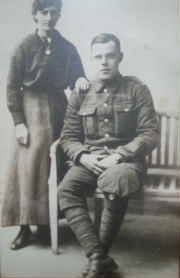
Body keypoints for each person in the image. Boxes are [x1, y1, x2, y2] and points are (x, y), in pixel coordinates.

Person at [58, 33, 159, 278]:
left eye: (110, 56)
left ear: (119, 57)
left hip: (126, 162)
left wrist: (121, 155)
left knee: (115, 182)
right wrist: (83, 157)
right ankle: (98, 256)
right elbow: (68, 137)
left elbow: (150, 133)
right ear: (92, 60)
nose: (104, 62)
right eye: (98, 57)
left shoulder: (137, 89)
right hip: (90, 159)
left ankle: (97, 259)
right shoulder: (81, 93)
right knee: (66, 190)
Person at [1, 0, 89, 250]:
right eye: (44, 12)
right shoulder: (24, 47)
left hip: (59, 107)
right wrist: (19, 122)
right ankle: (24, 227)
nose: (49, 18)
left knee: (57, 162)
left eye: (54, 13)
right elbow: (11, 87)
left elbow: (77, 76)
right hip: (31, 109)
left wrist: (81, 78)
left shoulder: (67, 47)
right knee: (29, 165)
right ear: (35, 15)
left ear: (59, 15)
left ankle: (49, 222)